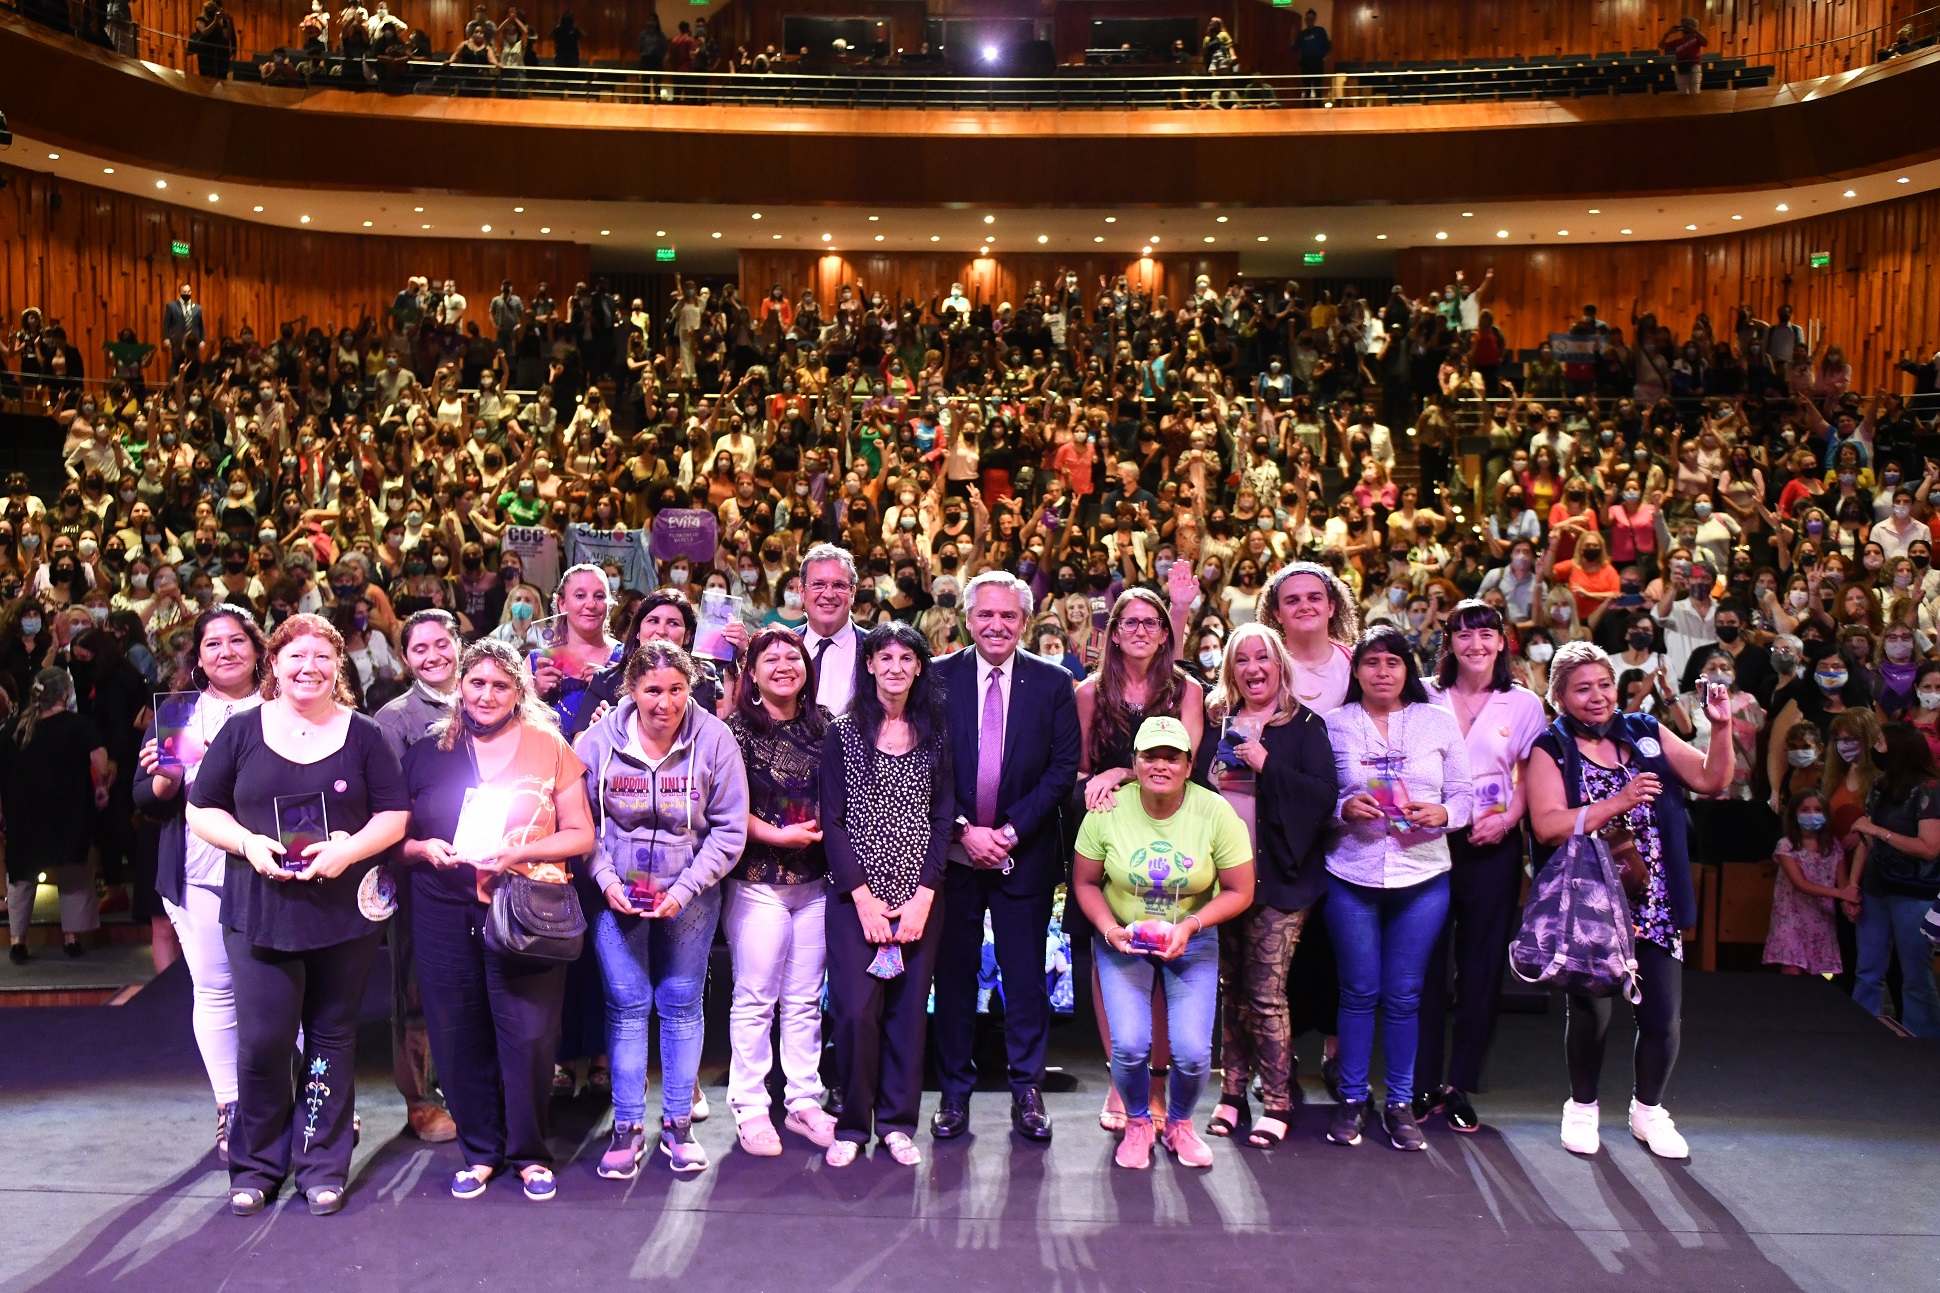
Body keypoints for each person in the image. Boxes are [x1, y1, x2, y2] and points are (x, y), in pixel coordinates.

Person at [185, 613, 411, 1216]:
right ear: (275, 665)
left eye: (321, 657)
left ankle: (320, 1163)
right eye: (295, 657)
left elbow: (394, 816)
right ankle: (257, 1163)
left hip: (342, 910)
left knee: (331, 1039)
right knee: (263, 1041)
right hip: (260, 905)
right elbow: (201, 809)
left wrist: (346, 851)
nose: (308, 667)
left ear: (338, 666)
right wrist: (247, 844)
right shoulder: (241, 731)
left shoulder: (364, 734)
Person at [401, 638, 594, 1202]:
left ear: (519, 692)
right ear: (459, 687)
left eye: (500, 685)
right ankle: (481, 1151)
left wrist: (514, 855)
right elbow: (397, 833)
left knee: (530, 1036)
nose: (487, 695)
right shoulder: (428, 751)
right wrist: (421, 851)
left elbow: (581, 832)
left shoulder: (548, 744)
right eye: (476, 683)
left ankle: (530, 1154)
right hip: (443, 907)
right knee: (457, 1035)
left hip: (527, 907)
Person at [1526, 641, 1733, 1161]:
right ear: (1558, 697)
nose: (1597, 697)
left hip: (1654, 898)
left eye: (1604, 685)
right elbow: (1549, 825)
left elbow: (1712, 778)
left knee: (1663, 1016)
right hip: (1590, 902)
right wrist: (1615, 802)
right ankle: (1582, 1106)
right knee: (1592, 1013)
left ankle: (1649, 1110)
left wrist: (1722, 726)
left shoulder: (1643, 729)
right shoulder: (1550, 747)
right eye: (1582, 689)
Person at [577, 640, 747, 1176]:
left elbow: (729, 828)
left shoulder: (716, 738)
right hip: (617, 893)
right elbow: (578, 823)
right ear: (631, 689)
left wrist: (687, 887)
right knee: (627, 1005)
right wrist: (604, 879)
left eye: (676, 689)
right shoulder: (597, 741)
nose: (665, 703)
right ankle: (626, 1126)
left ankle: (678, 1125)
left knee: (679, 1002)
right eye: (652, 690)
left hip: (690, 893)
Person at [929, 572, 1080, 1144]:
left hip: (1027, 855)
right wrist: (966, 831)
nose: (996, 625)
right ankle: (954, 1094)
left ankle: (1027, 1090)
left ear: (1025, 621)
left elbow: (1062, 770)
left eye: (1009, 616)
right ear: (967, 619)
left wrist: (1010, 832)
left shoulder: (1053, 683)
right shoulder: (936, 681)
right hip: (952, 853)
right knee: (955, 980)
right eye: (985, 615)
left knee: (1024, 980)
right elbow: (928, 766)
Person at [1073, 715, 1255, 1170]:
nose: (1160, 765)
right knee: (1130, 1046)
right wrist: (1111, 930)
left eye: (1171, 757)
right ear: (1134, 763)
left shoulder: (1215, 812)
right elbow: (1085, 883)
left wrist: (1191, 926)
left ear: (1189, 764)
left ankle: (1178, 1123)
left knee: (1193, 1053)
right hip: (1124, 938)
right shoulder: (1109, 809)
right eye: (1150, 756)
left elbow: (1241, 890)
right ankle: (1137, 1122)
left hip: (1190, 938)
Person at [1323, 627, 1472, 1152]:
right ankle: (1351, 1099)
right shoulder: (1334, 725)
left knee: (1405, 997)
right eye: (1371, 663)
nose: (1382, 671)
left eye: (1392, 662)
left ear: (1407, 669)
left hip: (1423, 874)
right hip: (1352, 872)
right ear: (1356, 671)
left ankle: (1401, 1103)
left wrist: (1446, 813)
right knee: (1358, 993)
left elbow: (1464, 793)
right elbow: (1317, 796)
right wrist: (1341, 808)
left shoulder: (1436, 723)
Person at [133, 607, 269, 1161]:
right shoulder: (180, 714)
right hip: (197, 871)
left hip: (273, 870)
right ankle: (230, 1106)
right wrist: (166, 777)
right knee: (215, 990)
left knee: (293, 990)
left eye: (238, 640)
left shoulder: (283, 707)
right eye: (213, 644)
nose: (226, 652)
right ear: (197, 656)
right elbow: (147, 800)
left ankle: (319, 1095)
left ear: (259, 650)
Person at [819, 622, 953, 1167]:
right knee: (854, 1014)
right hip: (857, 901)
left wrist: (923, 896)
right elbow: (832, 822)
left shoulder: (937, 734)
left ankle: (897, 1125)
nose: (895, 667)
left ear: (920, 667)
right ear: (869, 665)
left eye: (906, 657)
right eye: (884, 657)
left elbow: (943, 818)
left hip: (920, 898)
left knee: (907, 1017)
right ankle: (852, 1126)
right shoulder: (843, 733)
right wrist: (864, 899)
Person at [1075, 586, 1205, 1130]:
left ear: (1165, 630)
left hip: (1172, 835)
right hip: (1108, 842)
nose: (1141, 630)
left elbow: (1188, 764)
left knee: (1158, 964)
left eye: (1152, 622)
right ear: (1114, 631)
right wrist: (1101, 785)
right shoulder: (1088, 691)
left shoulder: (1187, 689)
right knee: (1116, 964)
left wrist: (1121, 773)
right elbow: (1081, 772)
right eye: (1130, 621)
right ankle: (1120, 1078)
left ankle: (1155, 1086)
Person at [1201, 623, 1334, 1148]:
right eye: (1242, 660)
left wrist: (1266, 764)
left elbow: (1323, 797)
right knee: (1230, 991)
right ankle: (1232, 1094)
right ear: (1230, 671)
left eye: (1263, 658)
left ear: (1280, 664)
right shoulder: (1219, 725)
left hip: (1281, 880)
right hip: (1222, 882)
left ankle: (1276, 1099)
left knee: (1265, 993)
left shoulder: (1305, 726)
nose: (1253, 669)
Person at [1416, 601, 1547, 1132]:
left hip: (1491, 845)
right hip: (1427, 845)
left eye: (1485, 634)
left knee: (1480, 969)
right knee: (1424, 968)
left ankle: (1459, 1085)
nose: (1475, 644)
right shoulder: (1423, 693)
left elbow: (1532, 776)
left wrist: (1509, 819)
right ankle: (1419, 1083)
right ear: (1449, 641)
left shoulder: (1523, 703)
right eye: (1463, 635)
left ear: (1502, 641)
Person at [722, 628, 839, 1154]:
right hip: (757, 882)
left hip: (816, 882)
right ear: (753, 672)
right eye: (771, 659)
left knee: (804, 1000)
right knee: (754, 999)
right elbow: (722, 807)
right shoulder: (735, 731)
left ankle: (803, 1101)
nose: (784, 665)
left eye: (793, 656)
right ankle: (749, 1106)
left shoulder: (828, 726)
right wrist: (776, 834)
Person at [371, 608, 464, 1145]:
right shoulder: (395, 718)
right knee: (416, 991)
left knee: (472, 985)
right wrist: (418, 848)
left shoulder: (487, 696)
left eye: (441, 644)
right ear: (405, 659)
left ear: (459, 643)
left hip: (484, 870)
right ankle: (421, 1101)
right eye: (419, 649)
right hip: (418, 871)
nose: (433, 656)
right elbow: (387, 805)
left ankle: (467, 1086)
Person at [2, 669, 110, 960]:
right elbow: (100, 759)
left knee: (21, 875)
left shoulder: (14, 727)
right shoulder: (78, 725)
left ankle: (17, 940)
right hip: (70, 809)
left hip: (23, 812)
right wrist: (102, 786)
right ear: (65, 693)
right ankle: (72, 937)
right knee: (73, 870)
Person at [1847, 722, 1940, 1037]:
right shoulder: (1879, 785)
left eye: (1881, 744)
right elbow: (1868, 843)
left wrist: (1878, 831)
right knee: (1867, 971)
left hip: (1914, 894)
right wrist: (1852, 885)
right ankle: (1861, 1037)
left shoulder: (1929, 790)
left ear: (1899, 748)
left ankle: (1923, 1041)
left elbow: (1929, 848)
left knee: (1915, 976)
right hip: (1877, 888)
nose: (1875, 749)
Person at [1762, 790, 1851, 976]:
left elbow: (1844, 886)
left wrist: (1850, 905)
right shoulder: (1786, 846)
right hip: (1790, 921)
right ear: (1795, 814)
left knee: (1819, 984)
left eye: (1818, 810)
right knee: (1792, 975)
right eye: (1805, 809)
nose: (1812, 815)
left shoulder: (1833, 847)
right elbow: (1800, 883)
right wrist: (1841, 894)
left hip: (1822, 923)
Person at [530, 564, 621, 732]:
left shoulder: (627, 658)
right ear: (562, 604)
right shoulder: (536, 662)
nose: (591, 604)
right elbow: (516, 724)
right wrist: (536, 695)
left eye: (599, 596)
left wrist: (609, 687)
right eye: (580, 595)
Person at [799, 542, 866, 717]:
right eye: (818, 584)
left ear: (852, 593)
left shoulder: (875, 648)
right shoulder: (783, 643)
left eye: (839, 585)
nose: (829, 594)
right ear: (802, 592)